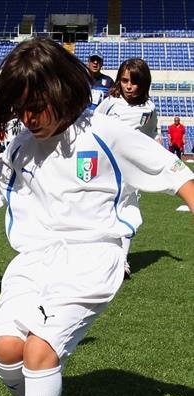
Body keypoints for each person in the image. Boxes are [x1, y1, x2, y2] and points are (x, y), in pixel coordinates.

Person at [0, 38, 194, 396]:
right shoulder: (22, 144)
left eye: (38, 106)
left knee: (40, 351)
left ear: (65, 91)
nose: (29, 117)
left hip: (93, 258)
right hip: (33, 261)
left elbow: (179, 176)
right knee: (5, 350)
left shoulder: (105, 133)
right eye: (20, 108)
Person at [95, 58, 158, 278]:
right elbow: (93, 126)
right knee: (102, 211)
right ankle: (100, 256)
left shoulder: (149, 107)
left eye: (134, 81)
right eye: (124, 80)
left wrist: (155, 148)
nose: (129, 86)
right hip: (105, 168)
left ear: (144, 83)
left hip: (131, 171)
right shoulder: (110, 102)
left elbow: (152, 133)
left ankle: (122, 261)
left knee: (128, 212)